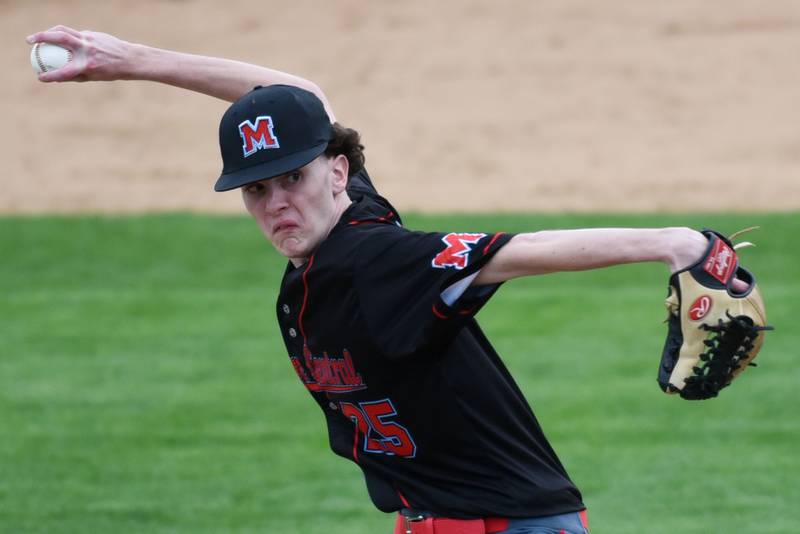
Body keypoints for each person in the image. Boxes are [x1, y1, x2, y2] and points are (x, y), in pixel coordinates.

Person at [26, 26, 748, 534]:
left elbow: (519, 251)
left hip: (507, 527)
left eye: (292, 180)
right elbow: (295, 93)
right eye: (255, 190)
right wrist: (130, 61)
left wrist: (675, 244)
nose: (276, 203)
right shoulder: (342, 224)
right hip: (454, 520)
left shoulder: (376, 261)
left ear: (335, 173)